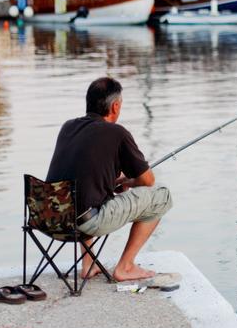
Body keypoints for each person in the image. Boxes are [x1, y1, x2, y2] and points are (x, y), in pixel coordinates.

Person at [46, 77, 172, 281]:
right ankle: (126, 266)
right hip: (85, 223)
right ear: (115, 106)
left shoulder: (68, 126)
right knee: (162, 196)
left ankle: (88, 264)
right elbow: (148, 181)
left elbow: (84, 174)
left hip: (51, 219)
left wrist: (118, 180)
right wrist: (130, 182)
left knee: (79, 196)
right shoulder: (117, 133)